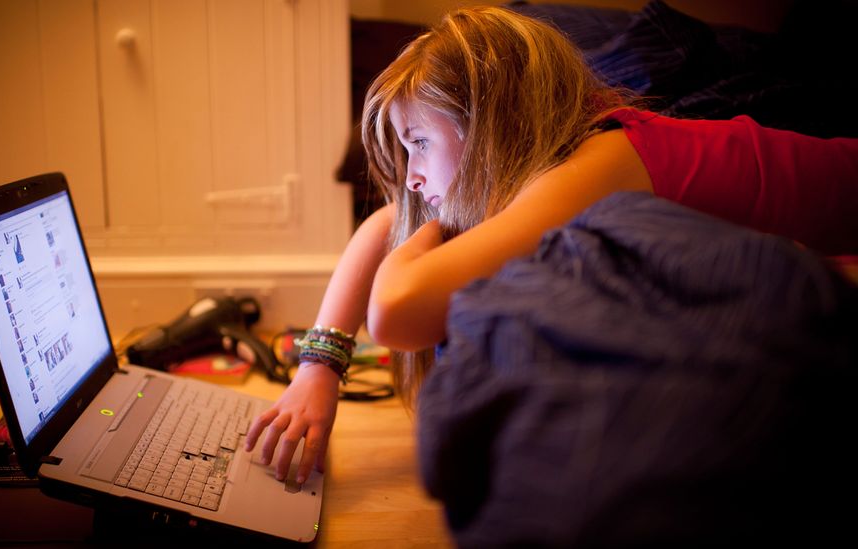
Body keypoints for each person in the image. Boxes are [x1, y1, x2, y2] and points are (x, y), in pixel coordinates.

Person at [244, 6, 858, 486]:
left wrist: (424, 231)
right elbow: (384, 227)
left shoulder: (600, 164)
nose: (409, 176)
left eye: (419, 143)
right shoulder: (568, 155)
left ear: (488, 123)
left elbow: (397, 309)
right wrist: (316, 370)